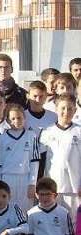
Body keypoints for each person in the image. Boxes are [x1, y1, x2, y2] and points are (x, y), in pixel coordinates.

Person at [39, 94, 81, 226]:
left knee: (72, 222)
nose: (66, 112)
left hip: (74, 187)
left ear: (75, 110)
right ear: (56, 108)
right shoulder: (47, 131)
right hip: (52, 186)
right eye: (63, 108)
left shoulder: (79, 131)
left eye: (70, 109)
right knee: (53, 221)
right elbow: (41, 159)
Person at [0, 105, 39, 213]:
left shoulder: (32, 136)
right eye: (13, 119)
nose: (16, 121)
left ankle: (24, 230)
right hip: (7, 178)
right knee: (7, 209)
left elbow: (34, 161)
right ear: (7, 120)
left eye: (19, 118)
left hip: (25, 178)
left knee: (25, 210)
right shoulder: (1, 138)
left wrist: (32, 183)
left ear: (24, 118)